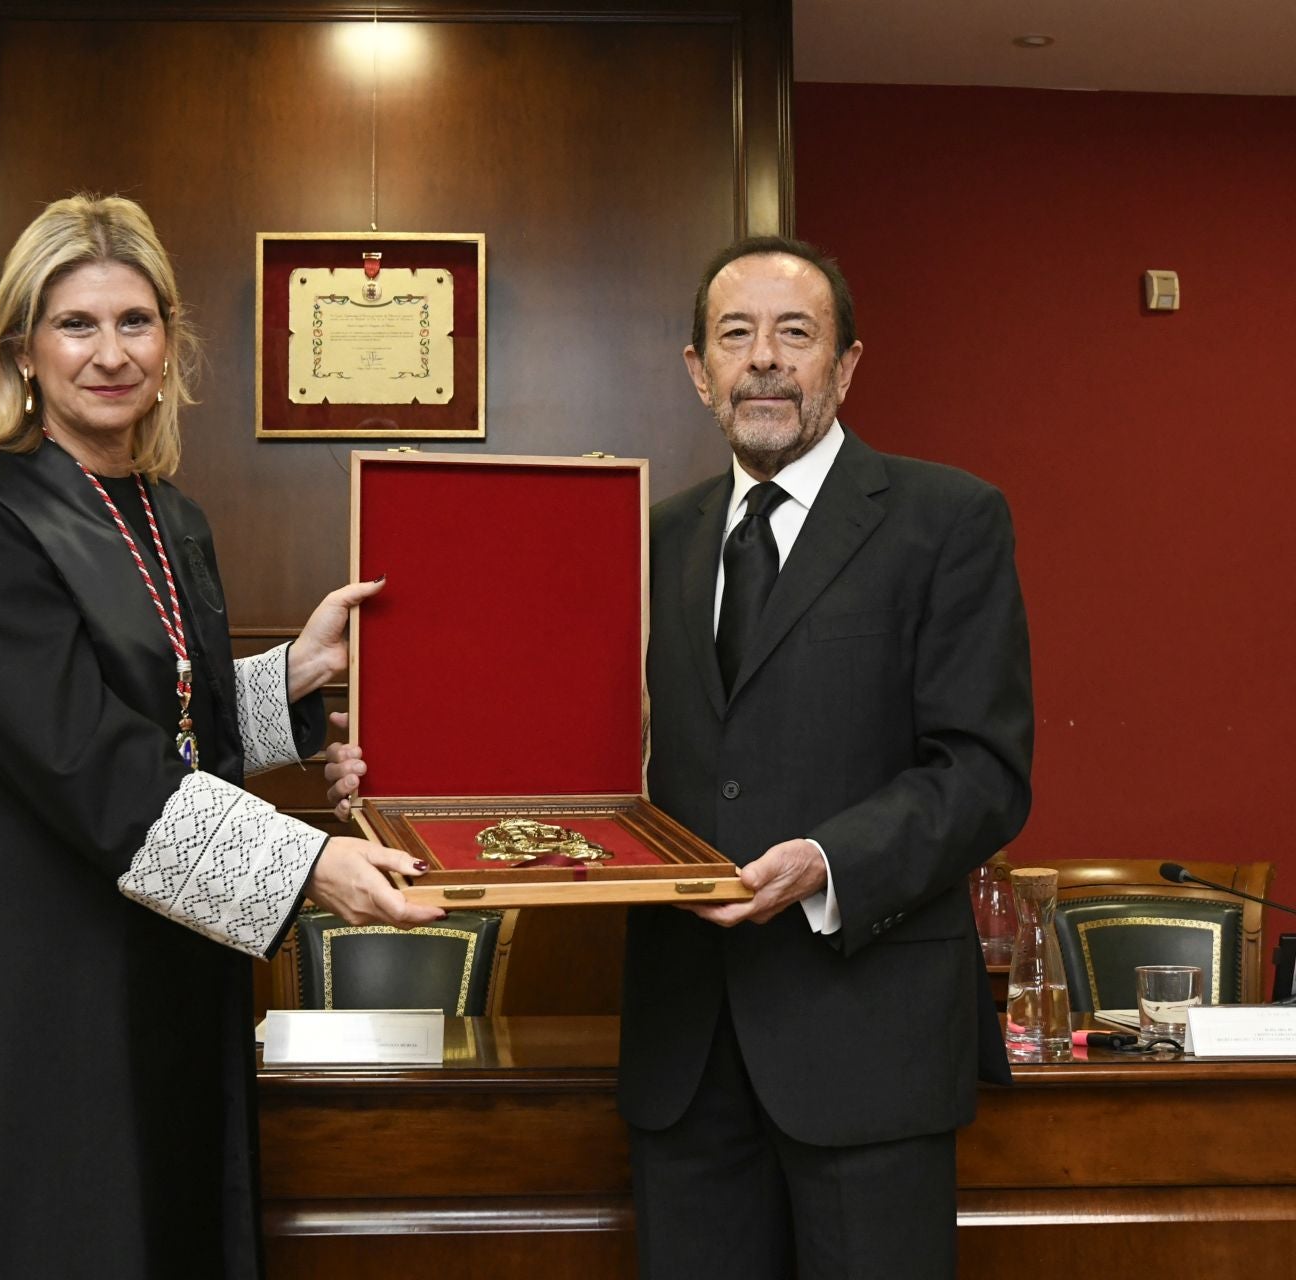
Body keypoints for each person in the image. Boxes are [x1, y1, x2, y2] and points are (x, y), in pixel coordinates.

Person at [328, 235, 1034, 1278]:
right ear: (697, 371)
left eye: (796, 334)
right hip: (684, 1054)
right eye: (735, 335)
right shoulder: (647, 537)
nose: (764, 358)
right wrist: (401, 777)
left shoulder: (948, 519)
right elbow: (559, 741)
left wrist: (827, 861)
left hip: (865, 1043)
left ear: (845, 366)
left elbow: (985, 768)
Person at [0, 193, 443, 1280]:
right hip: (30, 986)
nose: (110, 353)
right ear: (21, 350)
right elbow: (85, 758)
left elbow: (163, 711)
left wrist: (298, 682)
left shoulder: (169, 515)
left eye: (135, 322)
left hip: (164, 968)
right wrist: (309, 862)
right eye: (76, 324)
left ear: (168, 343)